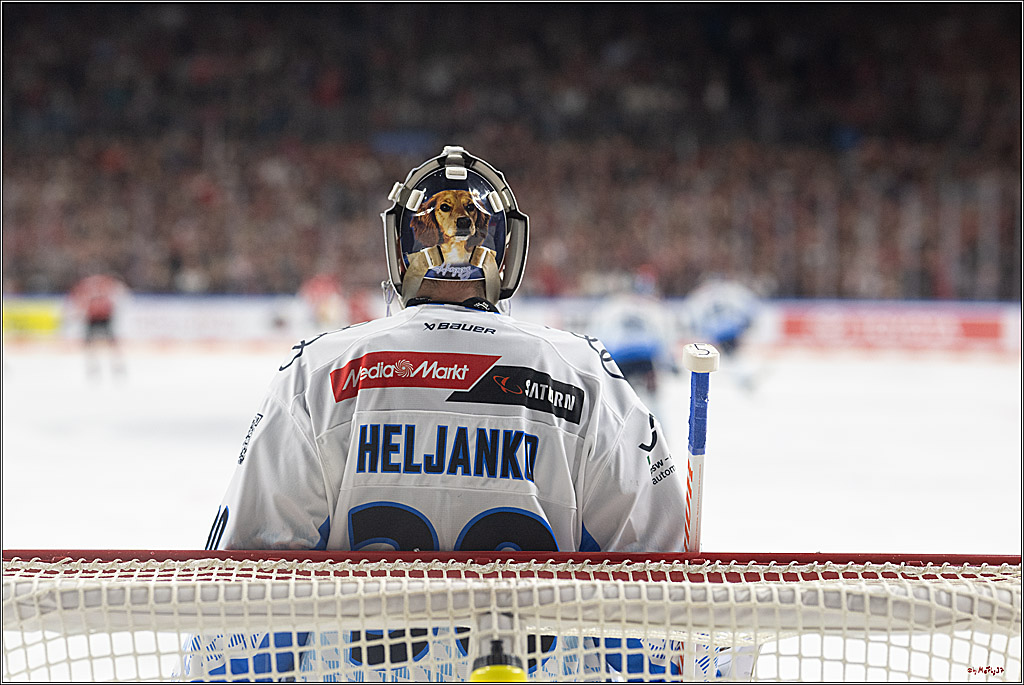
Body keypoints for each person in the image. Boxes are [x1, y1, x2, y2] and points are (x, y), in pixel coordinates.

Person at [185, 146, 705, 681]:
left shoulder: (320, 370)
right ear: (507, 253)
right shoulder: (583, 373)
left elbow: (245, 598)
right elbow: (655, 590)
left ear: (398, 248)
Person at [586, 267, 680, 424]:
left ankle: (618, 429)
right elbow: (664, 337)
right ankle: (659, 431)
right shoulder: (653, 306)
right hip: (645, 354)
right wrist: (669, 363)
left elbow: (596, 334)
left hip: (619, 355)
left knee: (621, 400)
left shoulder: (612, 305)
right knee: (653, 396)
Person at [66, 271, 129, 378]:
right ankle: (96, 366)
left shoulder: (103, 283)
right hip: (94, 317)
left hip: (102, 317)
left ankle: (115, 366)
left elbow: (119, 296)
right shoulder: (98, 284)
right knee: (94, 344)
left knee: (109, 343)